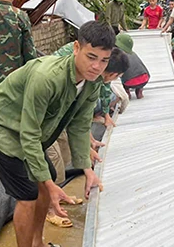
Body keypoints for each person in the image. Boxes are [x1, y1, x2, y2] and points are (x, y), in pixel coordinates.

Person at [0, 21, 112, 247]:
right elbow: (29, 133)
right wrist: (47, 183)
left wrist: (87, 169)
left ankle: (37, 245)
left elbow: (79, 125)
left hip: (26, 129)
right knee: (28, 194)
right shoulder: (48, 77)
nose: (97, 66)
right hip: (0, 126)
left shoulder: (92, 82)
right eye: (91, 57)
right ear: (76, 48)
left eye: (104, 60)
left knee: (47, 181)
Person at [44, 46, 128, 228]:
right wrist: (86, 149)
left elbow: (80, 118)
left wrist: (87, 145)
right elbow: (69, 114)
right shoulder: (67, 75)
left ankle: (58, 194)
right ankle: (50, 209)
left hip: (59, 118)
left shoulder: (93, 79)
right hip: (43, 121)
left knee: (64, 153)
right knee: (53, 162)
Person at [115, 34, 150, 99]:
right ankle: (139, 90)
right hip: (145, 78)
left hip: (129, 81)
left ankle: (127, 92)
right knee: (137, 75)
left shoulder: (118, 55)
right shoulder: (133, 53)